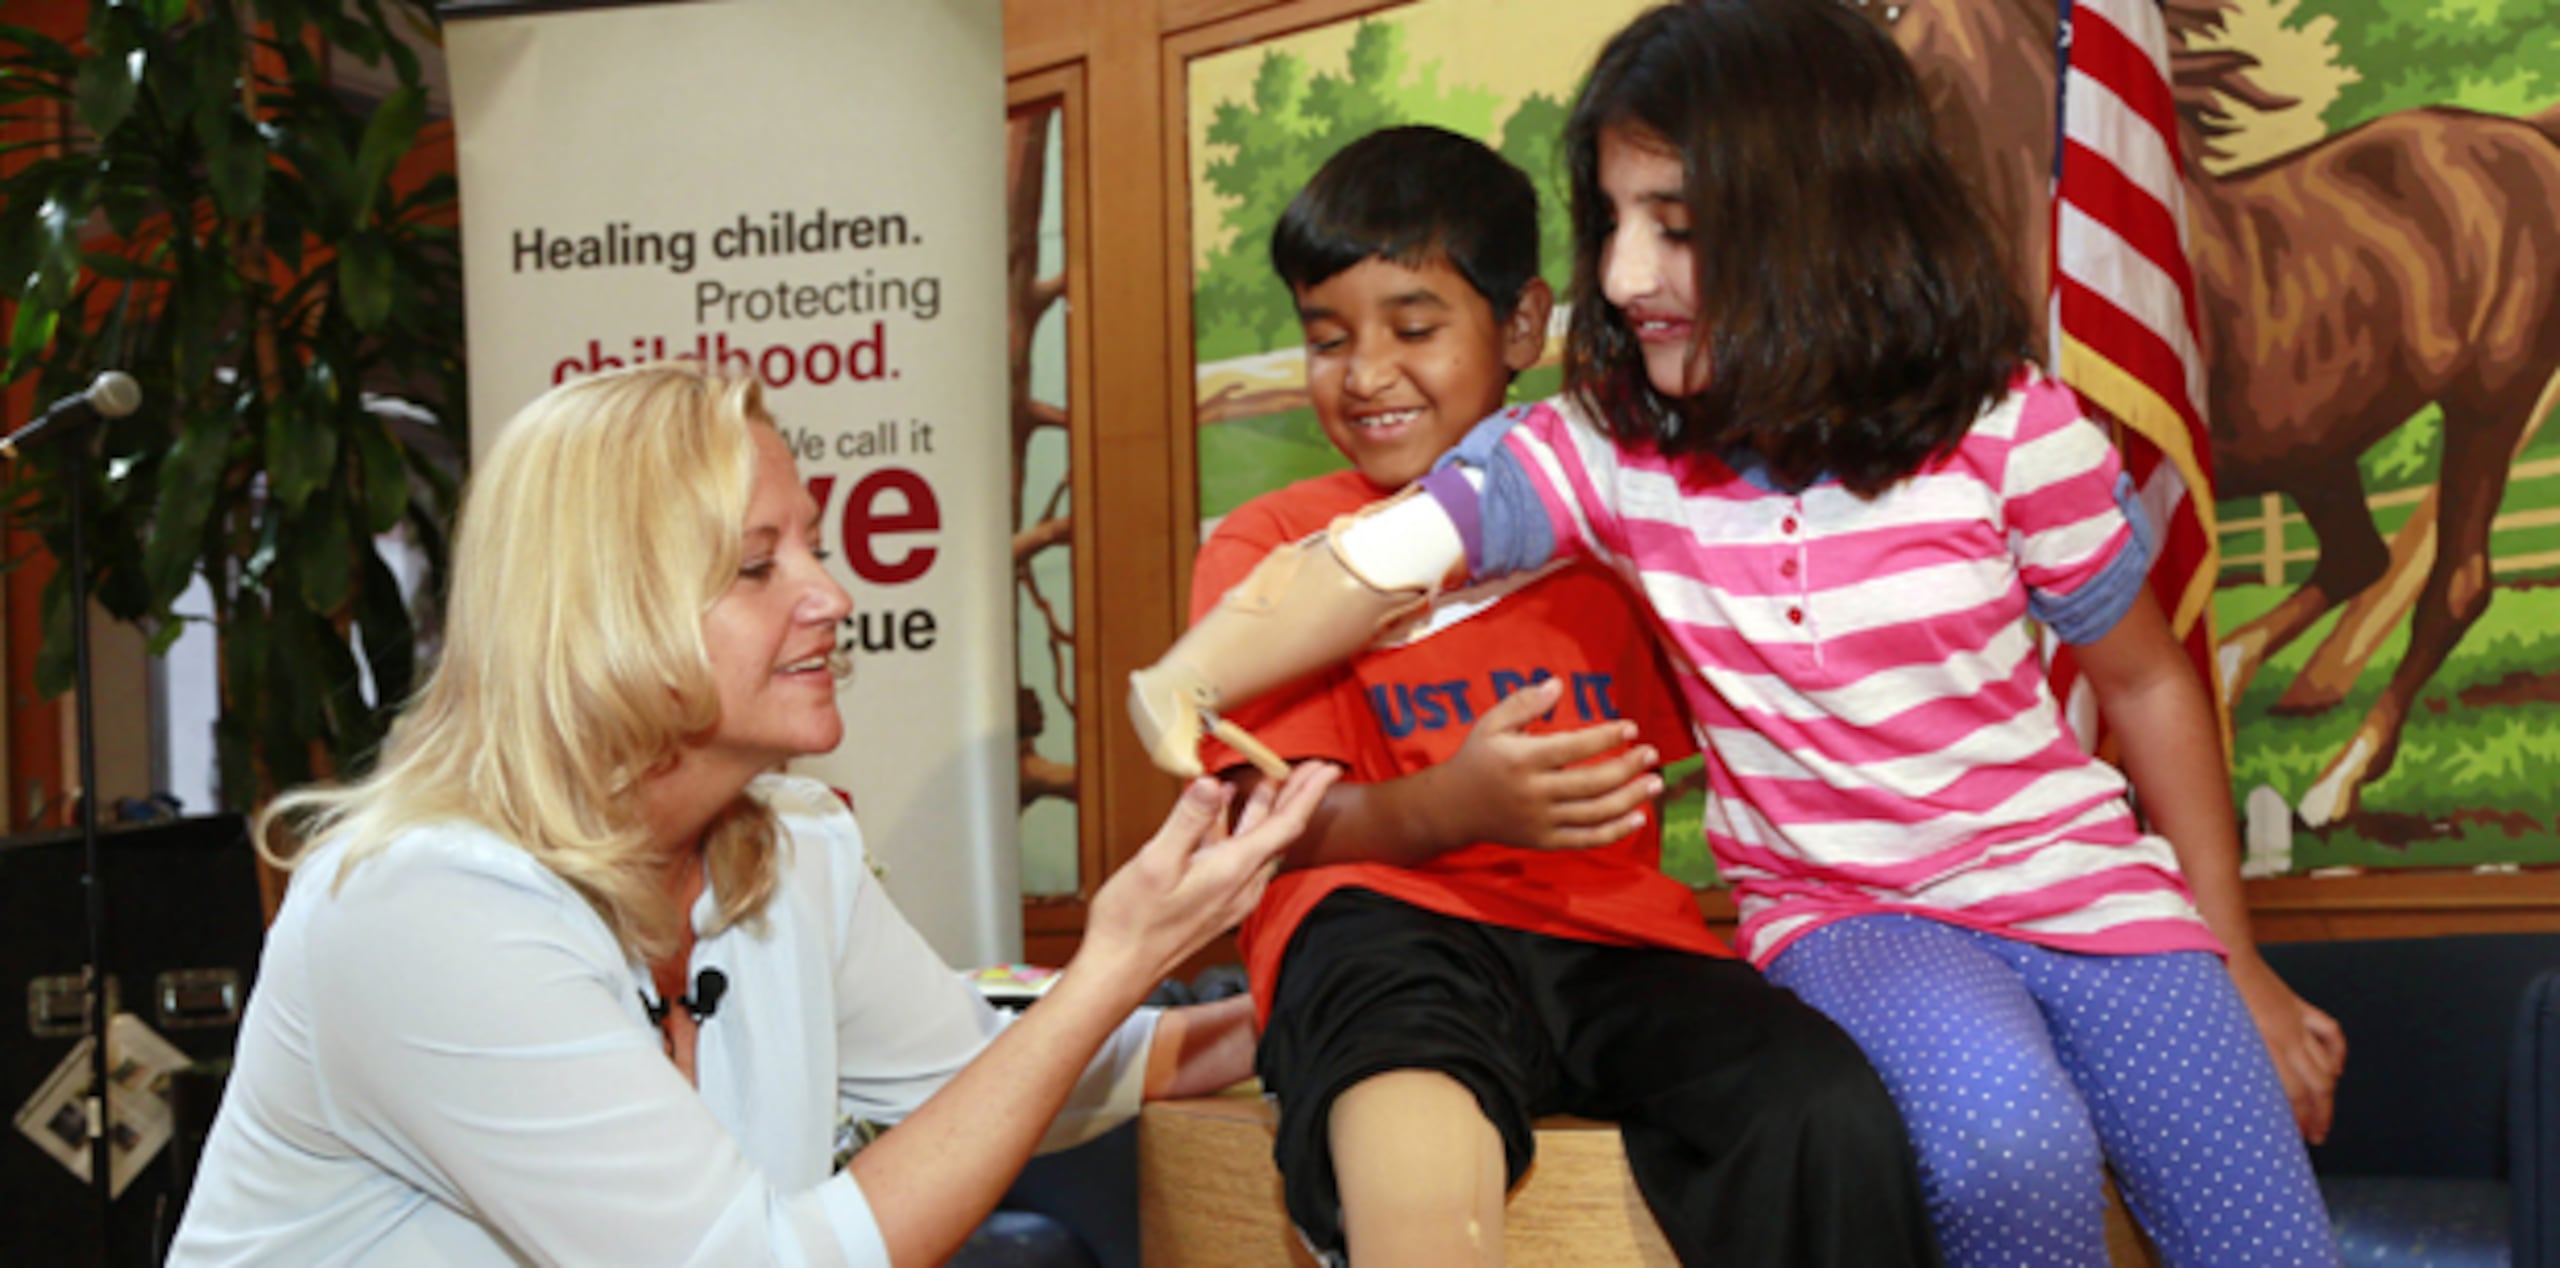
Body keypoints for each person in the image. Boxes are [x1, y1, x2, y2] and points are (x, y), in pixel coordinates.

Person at [1129, 3, 2347, 1264]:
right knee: (2007, 1143)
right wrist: (1190, 673)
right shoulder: (1612, 450)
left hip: (2088, 892)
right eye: (1612, 223)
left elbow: (2145, 681)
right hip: (1852, 913)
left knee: (2258, 1217)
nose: (1623, 278)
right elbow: (1378, 560)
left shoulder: (2013, 430)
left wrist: (2233, 954)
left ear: (1828, 222)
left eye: (1681, 230)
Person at [169, 364, 1336, 1267]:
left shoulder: (788, 848)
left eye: (815, 546)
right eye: (755, 565)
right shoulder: (425, 906)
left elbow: (985, 1082)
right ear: (604, 613)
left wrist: (1292, 1005)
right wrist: (1115, 956)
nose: (833, 595)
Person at [1183, 125, 1937, 1267]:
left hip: (1611, 935)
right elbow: (1267, 828)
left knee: (1821, 1105)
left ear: (1524, 325)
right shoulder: (1278, 545)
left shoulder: (1614, 528)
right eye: (1326, 337)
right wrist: (1455, 803)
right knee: (1406, 1107)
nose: (1365, 370)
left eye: (1415, 326)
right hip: (1384, 922)